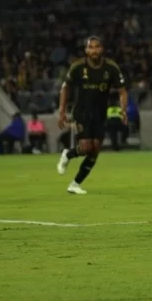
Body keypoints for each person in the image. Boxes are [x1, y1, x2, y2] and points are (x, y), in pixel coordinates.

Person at [56, 36, 128, 194]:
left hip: (100, 113)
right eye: (91, 47)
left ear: (102, 49)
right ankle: (68, 154)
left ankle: (75, 184)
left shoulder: (111, 68)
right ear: (86, 50)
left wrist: (123, 110)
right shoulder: (78, 67)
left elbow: (122, 91)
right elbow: (65, 87)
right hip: (82, 111)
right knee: (86, 147)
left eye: (97, 47)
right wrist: (62, 110)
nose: (94, 50)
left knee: (95, 150)